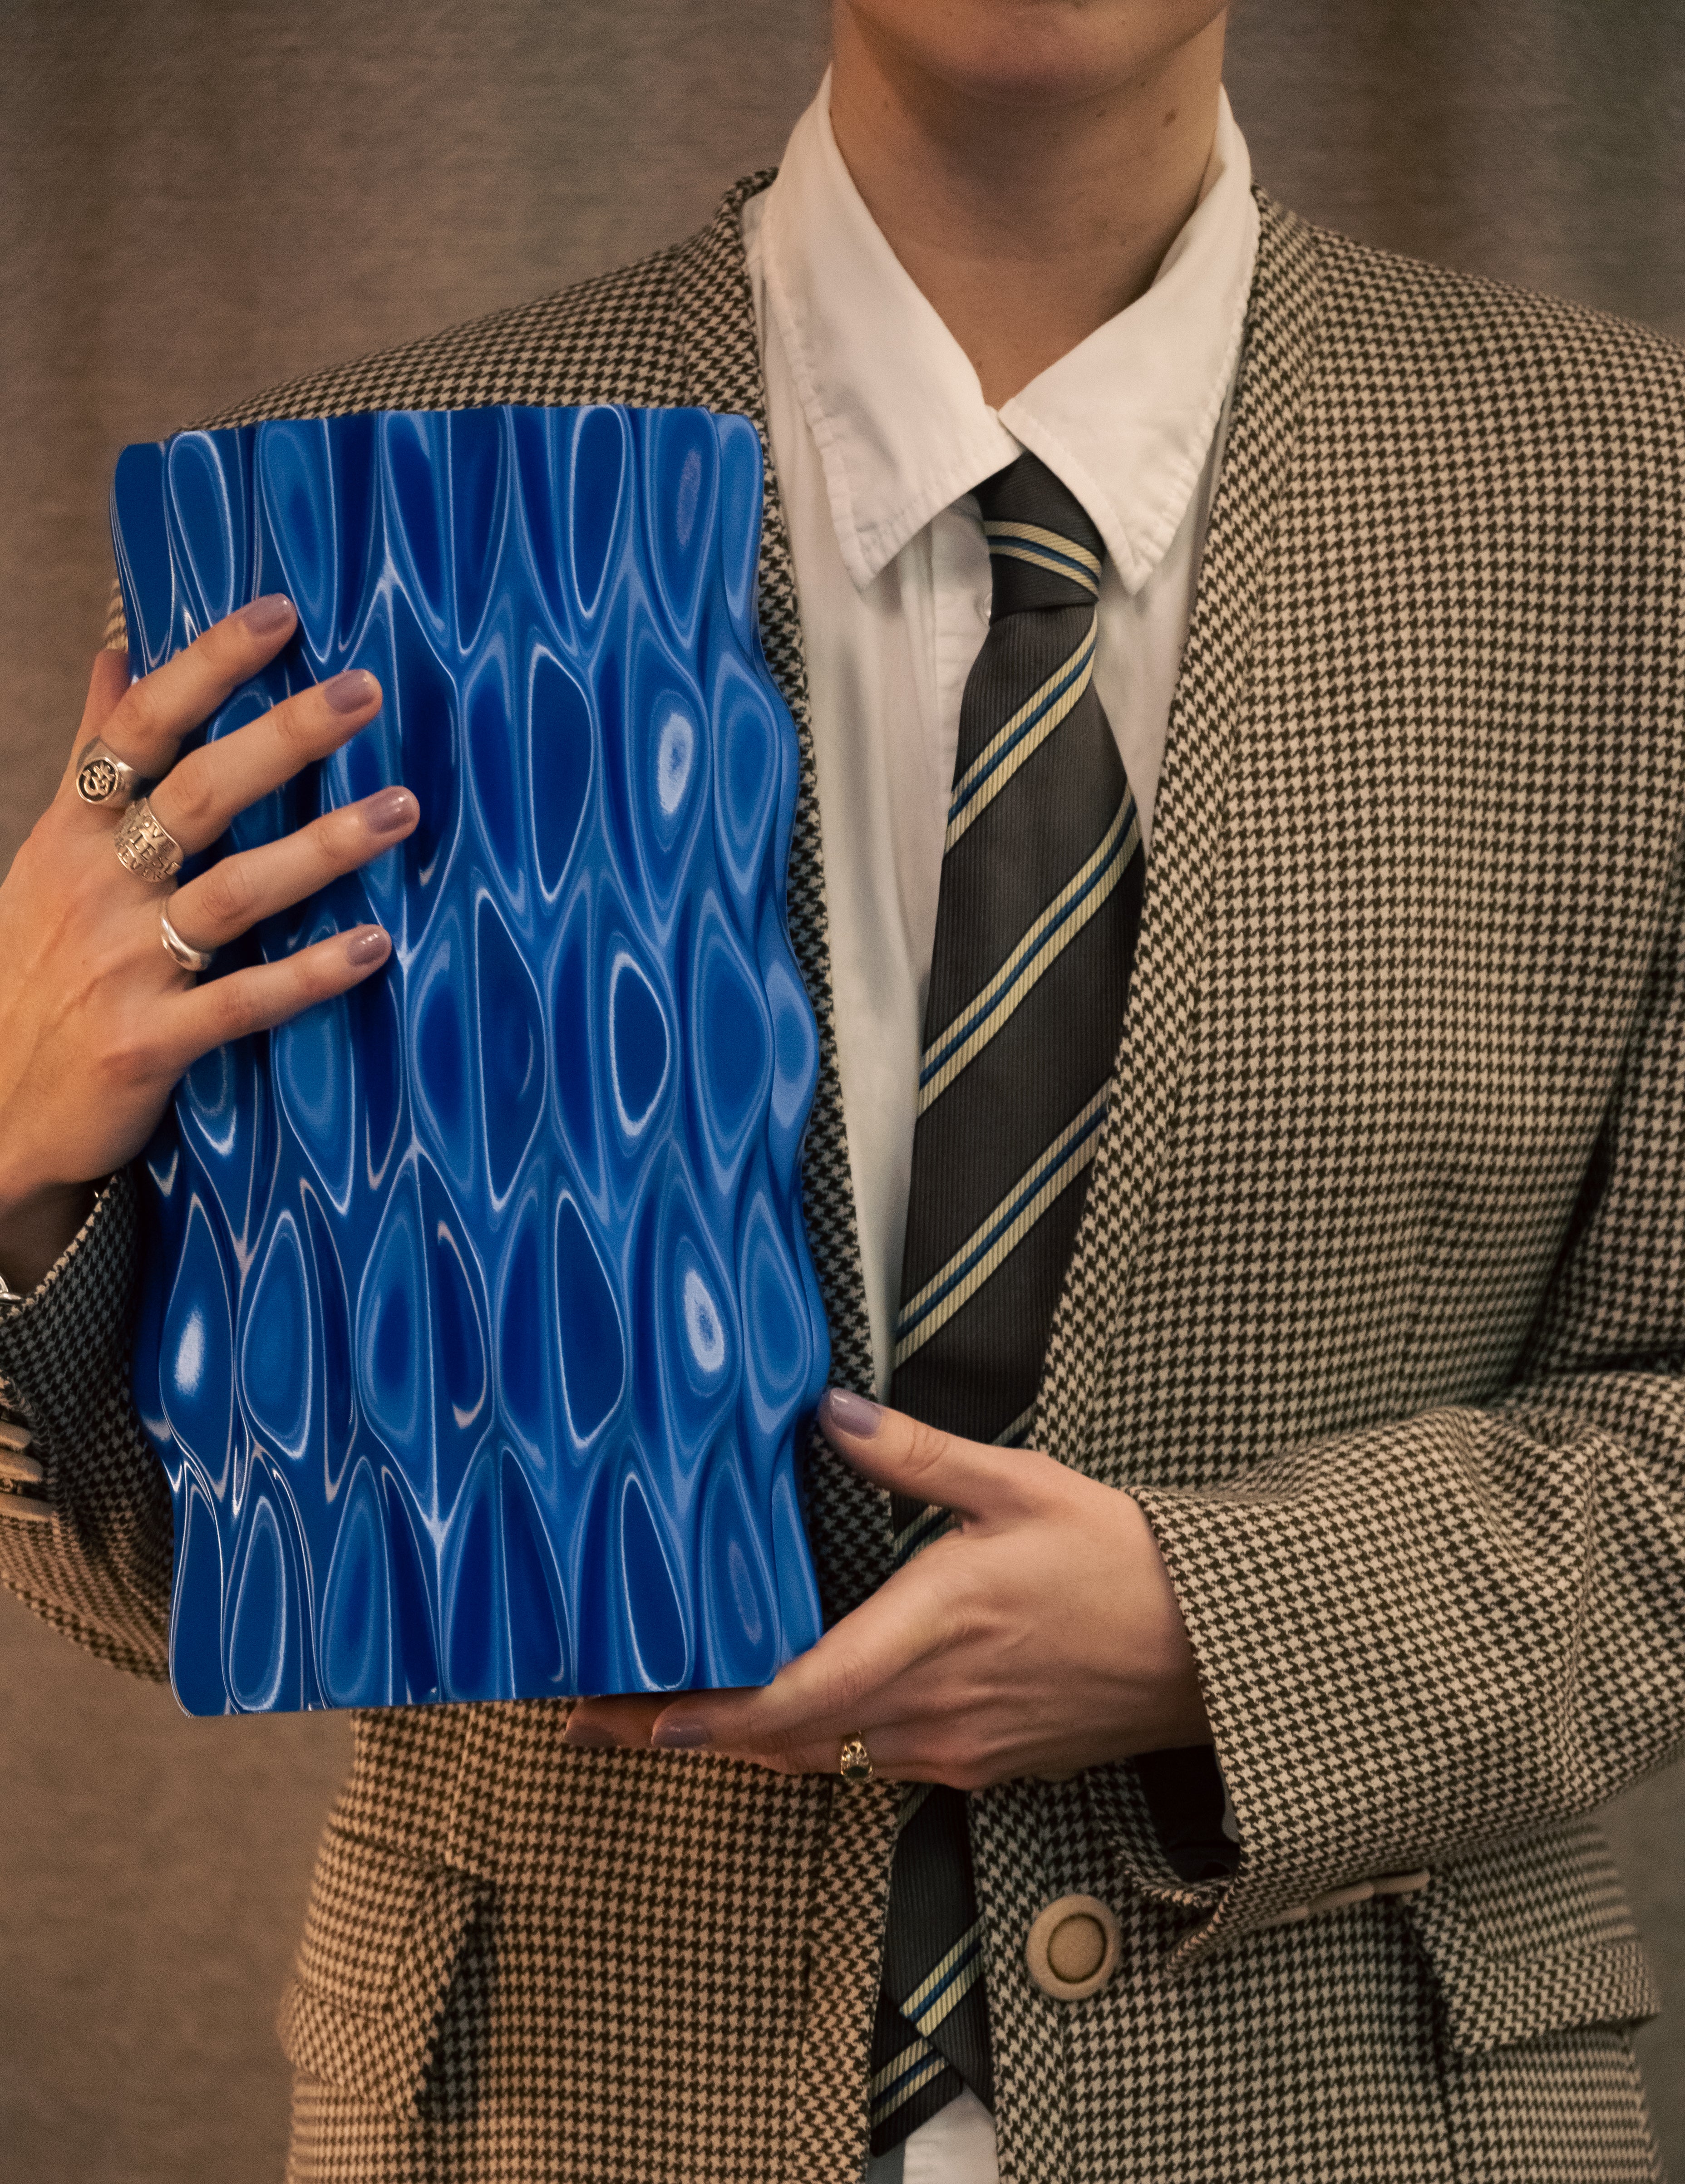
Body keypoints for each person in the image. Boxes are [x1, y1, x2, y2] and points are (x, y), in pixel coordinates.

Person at [1, 1, 1680, 2177]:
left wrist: (1223, 1632)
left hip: (1377, 2115)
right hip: (554, 2113)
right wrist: (21, 1187)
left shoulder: (1637, 510)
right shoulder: (344, 538)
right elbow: (180, 1564)